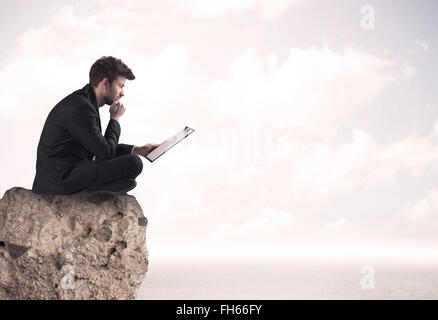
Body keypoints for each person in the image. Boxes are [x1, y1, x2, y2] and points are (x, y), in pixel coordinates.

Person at [32, 56, 160, 195]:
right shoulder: (81, 107)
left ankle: (103, 186)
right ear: (105, 83)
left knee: (133, 161)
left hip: (70, 171)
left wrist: (139, 150)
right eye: (120, 86)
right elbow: (105, 153)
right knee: (134, 163)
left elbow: (98, 145)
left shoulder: (85, 102)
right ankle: (98, 188)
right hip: (59, 180)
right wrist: (115, 118)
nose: (122, 93)